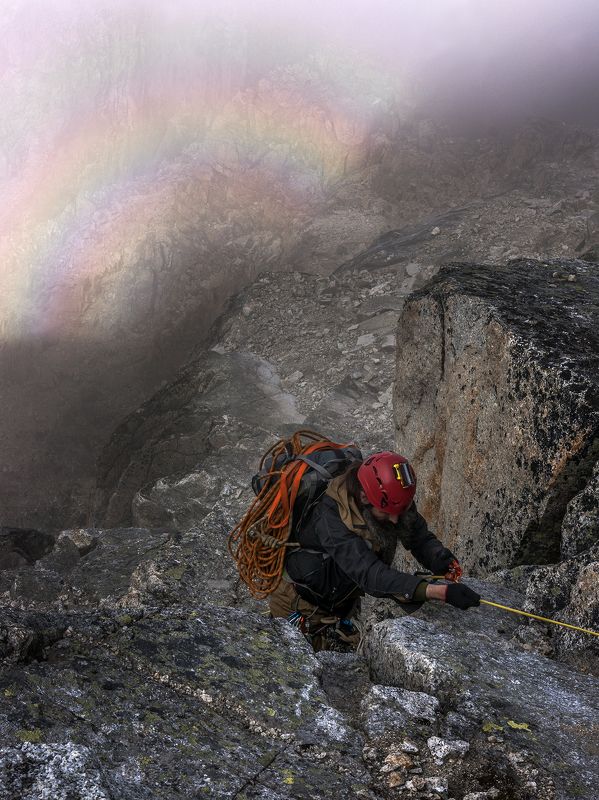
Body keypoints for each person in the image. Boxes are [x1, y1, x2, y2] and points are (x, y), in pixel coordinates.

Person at [268, 451, 480, 650]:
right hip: (300, 605)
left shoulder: (392, 500)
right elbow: (369, 574)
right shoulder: (330, 519)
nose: (395, 519)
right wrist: (440, 592)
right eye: (387, 513)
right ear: (363, 498)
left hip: (342, 603)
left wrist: (439, 557)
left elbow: (418, 536)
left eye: (401, 510)